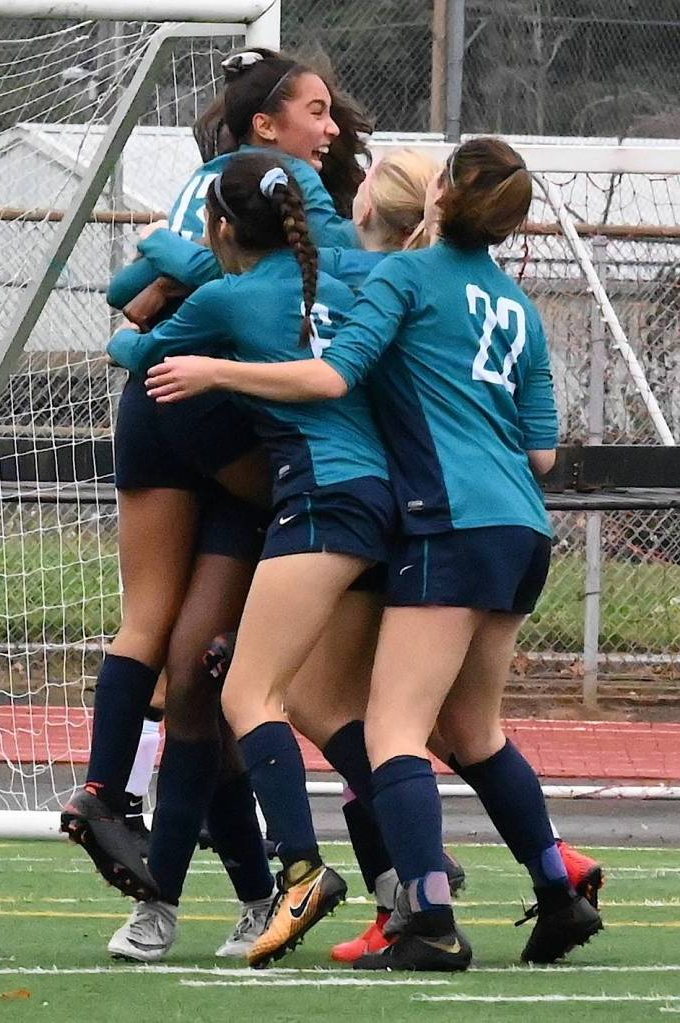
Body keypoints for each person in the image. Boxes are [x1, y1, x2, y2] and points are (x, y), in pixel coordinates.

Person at [144, 138, 604, 970]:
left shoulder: (404, 276)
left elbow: (331, 379)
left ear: (438, 198)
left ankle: (425, 917)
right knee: (474, 728)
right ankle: (555, 884)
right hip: (521, 524)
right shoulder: (518, 306)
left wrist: (216, 368)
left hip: (447, 518)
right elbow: (542, 452)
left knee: (393, 725)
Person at [61, 47, 372, 959]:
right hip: (224, 423)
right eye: (318, 110)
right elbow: (332, 279)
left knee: (197, 667)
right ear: (266, 128)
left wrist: (163, 279)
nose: (334, 127)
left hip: (165, 401)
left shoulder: (215, 185)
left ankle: (120, 817)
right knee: (201, 667)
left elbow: (133, 303)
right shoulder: (290, 194)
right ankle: (192, 884)